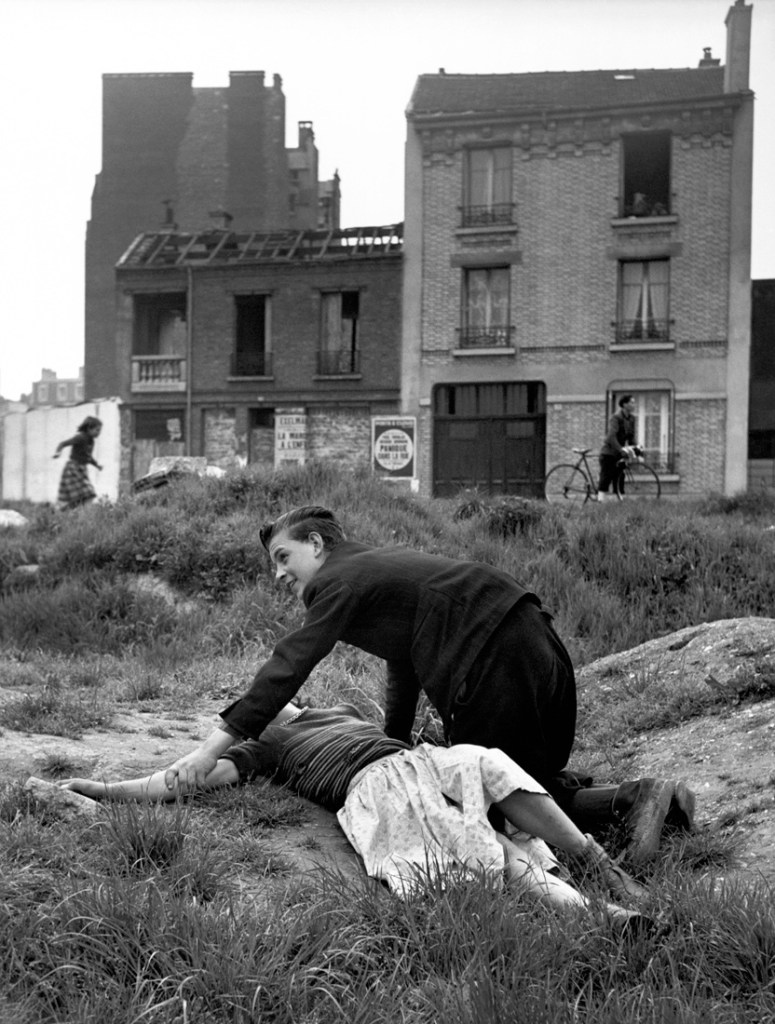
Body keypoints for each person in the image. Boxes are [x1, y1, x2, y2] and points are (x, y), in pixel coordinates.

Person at [162, 505, 695, 863]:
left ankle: (633, 801)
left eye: (283, 557)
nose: (279, 574)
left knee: (486, 796)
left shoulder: (333, 581)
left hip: (492, 657)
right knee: (520, 778)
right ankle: (636, 803)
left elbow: (290, 664)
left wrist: (214, 747)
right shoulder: (376, 568)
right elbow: (406, 659)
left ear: (317, 545)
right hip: (534, 638)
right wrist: (393, 740)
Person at [61, 702, 657, 933]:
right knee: (496, 854)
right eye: (263, 703)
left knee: (490, 765)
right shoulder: (264, 747)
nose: (282, 701)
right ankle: (610, 916)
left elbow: (396, 716)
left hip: (425, 762)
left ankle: (598, 865)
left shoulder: (341, 710)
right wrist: (106, 789)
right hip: (377, 789)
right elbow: (183, 778)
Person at [53, 416, 103, 510]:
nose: (99, 433)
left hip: (82, 470)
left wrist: (97, 465)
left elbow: (88, 456)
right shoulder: (80, 437)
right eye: (97, 430)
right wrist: (58, 453)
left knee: (85, 496)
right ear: (89, 428)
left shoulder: (91, 441)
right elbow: (63, 444)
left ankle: (81, 516)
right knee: (87, 494)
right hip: (73, 469)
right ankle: (59, 511)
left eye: (100, 430)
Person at [597, 395, 640, 501]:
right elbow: (611, 437)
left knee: (620, 477)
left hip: (619, 453)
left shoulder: (632, 419)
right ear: (625, 404)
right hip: (609, 452)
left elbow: (631, 437)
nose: (634, 405)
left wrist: (636, 448)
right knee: (606, 477)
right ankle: (600, 501)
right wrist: (621, 449)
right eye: (632, 402)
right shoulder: (616, 417)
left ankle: (619, 501)